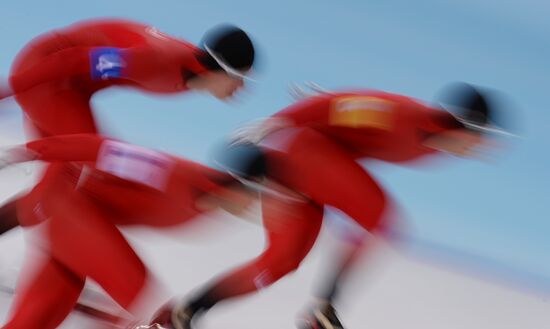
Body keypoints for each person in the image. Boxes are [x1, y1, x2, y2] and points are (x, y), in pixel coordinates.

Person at [149, 83, 511, 329]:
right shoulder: (409, 117)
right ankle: (324, 311)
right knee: (379, 216)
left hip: (309, 172)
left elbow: (351, 119)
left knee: (279, 264)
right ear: (464, 126)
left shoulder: (436, 146)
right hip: (304, 155)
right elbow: (349, 105)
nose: (480, 148)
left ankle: (186, 311)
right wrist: (285, 119)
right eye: (482, 138)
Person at [0, 17, 256, 231]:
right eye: (240, 77)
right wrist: (11, 88)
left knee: (66, 181)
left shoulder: (191, 73)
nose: (242, 88)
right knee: (67, 178)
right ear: (220, 69)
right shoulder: (157, 62)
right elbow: (73, 60)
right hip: (49, 73)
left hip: (72, 87)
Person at [0, 134, 259, 329]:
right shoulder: (174, 174)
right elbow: (100, 149)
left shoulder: (207, 211)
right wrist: (27, 151)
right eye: (255, 199)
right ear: (238, 188)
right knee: (157, 311)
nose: (254, 209)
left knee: (33, 321)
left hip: (77, 230)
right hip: (65, 209)